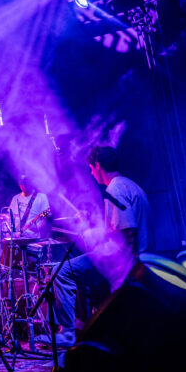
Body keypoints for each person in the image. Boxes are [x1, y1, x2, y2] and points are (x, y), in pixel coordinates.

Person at [36, 146, 152, 347]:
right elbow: (118, 226)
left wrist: (122, 271)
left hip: (123, 258)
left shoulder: (114, 188)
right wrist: (92, 228)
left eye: (91, 168)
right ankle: (90, 324)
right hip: (136, 256)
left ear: (97, 165)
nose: (91, 172)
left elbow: (127, 231)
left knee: (61, 271)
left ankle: (67, 333)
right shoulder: (131, 186)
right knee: (79, 267)